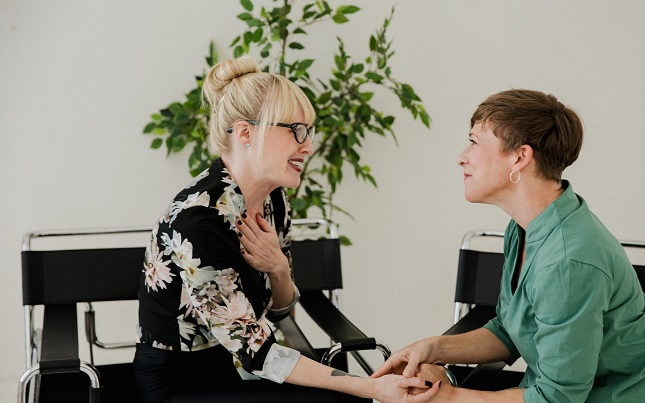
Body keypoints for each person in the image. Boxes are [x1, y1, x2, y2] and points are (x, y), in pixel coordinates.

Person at [134, 55, 439, 403]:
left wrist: (278, 267)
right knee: (350, 396)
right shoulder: (198, 220)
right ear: (246, 133)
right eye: (296, 130)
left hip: (233, 367)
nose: (308, 145)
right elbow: (255, 350)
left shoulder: (273, 199)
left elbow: (280, 311)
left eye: (309, 130)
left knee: (345, 398)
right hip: (178, 382)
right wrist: (369, 385)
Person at [372, 89, 645, 402]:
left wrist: (449, 397)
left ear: (520, 157)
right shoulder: (524, 228)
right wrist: (433, 348)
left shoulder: (567, 262)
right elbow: (509, 331)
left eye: (475, 141)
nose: (461, 156)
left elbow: (557, 398)